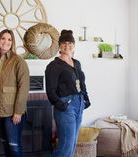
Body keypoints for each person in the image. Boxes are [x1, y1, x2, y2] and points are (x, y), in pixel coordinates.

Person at [0, 29, 30, 157]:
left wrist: (18, 111)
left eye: (9, 39)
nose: (6, 42)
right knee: (5, 144)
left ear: (12, 43)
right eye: (3, 38)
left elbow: (24, 87)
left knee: (14, 146)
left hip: (12, 113)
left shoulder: (18, 61)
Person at [45, 29, 91, 157]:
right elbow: (50, 90)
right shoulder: (54, 65)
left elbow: (81, 83)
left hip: (79, 104)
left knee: (72, 145)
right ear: (59, 46)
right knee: (65, 146)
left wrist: (86, 99)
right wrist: (62, 104)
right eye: (64, 43)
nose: (67, 45)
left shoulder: (77, 63)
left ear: (74, 45)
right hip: (66, 106)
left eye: (70, 42)